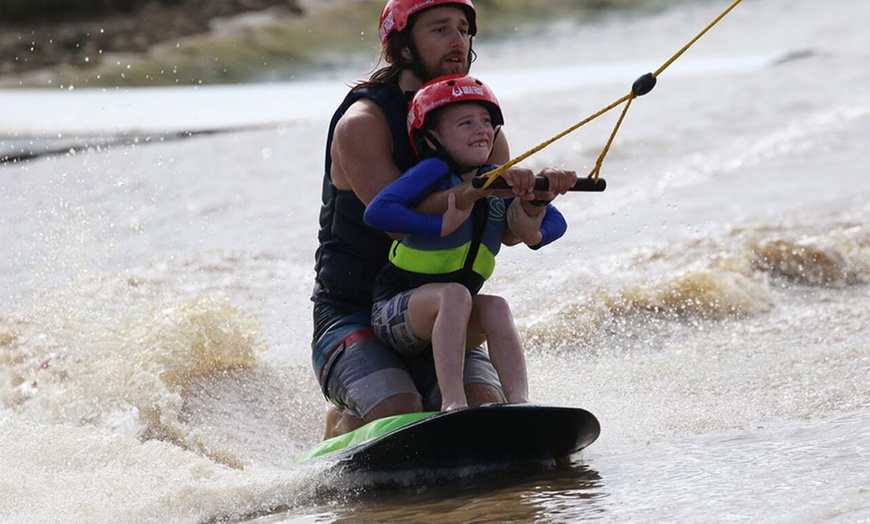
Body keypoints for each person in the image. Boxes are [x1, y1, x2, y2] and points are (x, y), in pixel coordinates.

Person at [312, 0, 577, 438]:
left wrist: (533, 199)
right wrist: (473, 188)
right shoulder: (363, 122)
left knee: (485, 410)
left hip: (445, 310)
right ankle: (346, 418)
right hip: (354, 312)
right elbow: (399, 224)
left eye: (463, 29)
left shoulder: (482, 130)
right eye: (440, 30)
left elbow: (506, 230)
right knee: (402, 409)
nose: (458, 41)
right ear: (402, 46)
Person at [364, 74, 570, 411]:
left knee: (496, 306)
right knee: (457, 295)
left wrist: (538, 201)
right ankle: (454, 403)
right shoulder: (432, 171)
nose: (481, 130)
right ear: (432, 137)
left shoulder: (497, 178)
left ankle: (520, 403)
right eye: (465, 123)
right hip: (394, 314)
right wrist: (438, 224)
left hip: (450, 316)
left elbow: (555, 222)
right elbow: (378, 212)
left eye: (487, 121)